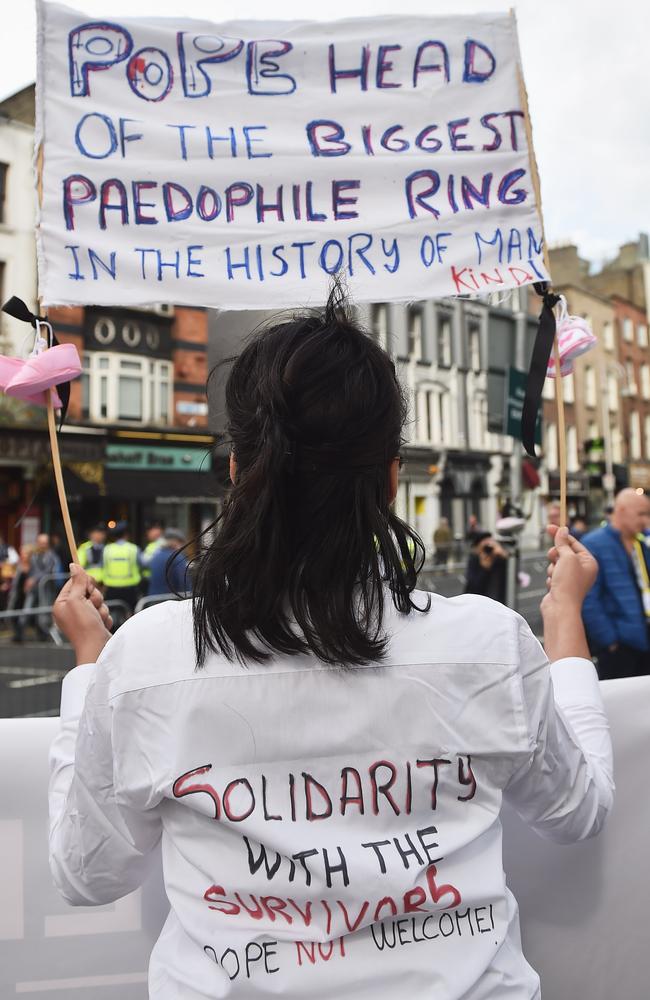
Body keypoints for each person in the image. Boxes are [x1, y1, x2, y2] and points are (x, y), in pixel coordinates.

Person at [50, 290, 613, 1000]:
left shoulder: (147, 657)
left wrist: (88, 672)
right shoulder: (489, 642)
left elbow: (87, 871)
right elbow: (578, 813)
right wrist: (565, 627)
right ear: (390, 475)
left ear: (235, 472)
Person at [581, 487, 650, 678]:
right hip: (620, 644)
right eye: (641, 514)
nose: (645, 521)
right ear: (621, 511)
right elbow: (589, 598)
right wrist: (609, 640)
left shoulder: (641, 542)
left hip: (643, 637)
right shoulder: (595, 544)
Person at [21, 533, 59, 640]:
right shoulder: (33, 555)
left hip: (45, 589)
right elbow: (31, 570)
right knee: (27, 609)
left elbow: (47, 571)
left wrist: (33, 579)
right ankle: (20, 632)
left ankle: (43, 633)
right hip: (33, 589)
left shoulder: (51, 556)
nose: (43, 545)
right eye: (41, 543)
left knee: (43, 611)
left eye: (45, 543)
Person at [101, 522, 143, 614]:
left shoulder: (107, 549)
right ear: (126, 534)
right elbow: (142, 565)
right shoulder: (134, 549)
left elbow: (102, 566)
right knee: (132, 616)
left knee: (112, 615)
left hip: (111, 589)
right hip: (130, 590)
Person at [464, 531, 509, 604]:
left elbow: (514, 575)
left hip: (499, 603)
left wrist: (503, 555)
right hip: (479, 604)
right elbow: (473, 587)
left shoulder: (499, 559)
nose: (488, 550)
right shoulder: (474, 560)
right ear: (477, 548)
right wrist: (484, 569)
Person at [147, 529, 192, 598]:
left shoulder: (156, 556)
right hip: (169, 600)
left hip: (153, 600)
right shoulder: (177, 557)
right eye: (181, 543)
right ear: (175, 542)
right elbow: (184, 583)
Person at [7, 545, 32, 642]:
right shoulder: (18, 565)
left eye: (25, 553)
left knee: (23, 616)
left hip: (27, 596)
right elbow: (14, 580)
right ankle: (16, 634)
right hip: (17, 594)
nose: (23, 555)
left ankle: (21, 634)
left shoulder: (33, 566)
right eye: (22, 553)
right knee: (13, 615)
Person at [0, 533, 19, 612]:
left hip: (5, 578)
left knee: (5, 598)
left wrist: (5, 563)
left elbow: (15, 559)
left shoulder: (8, 548)